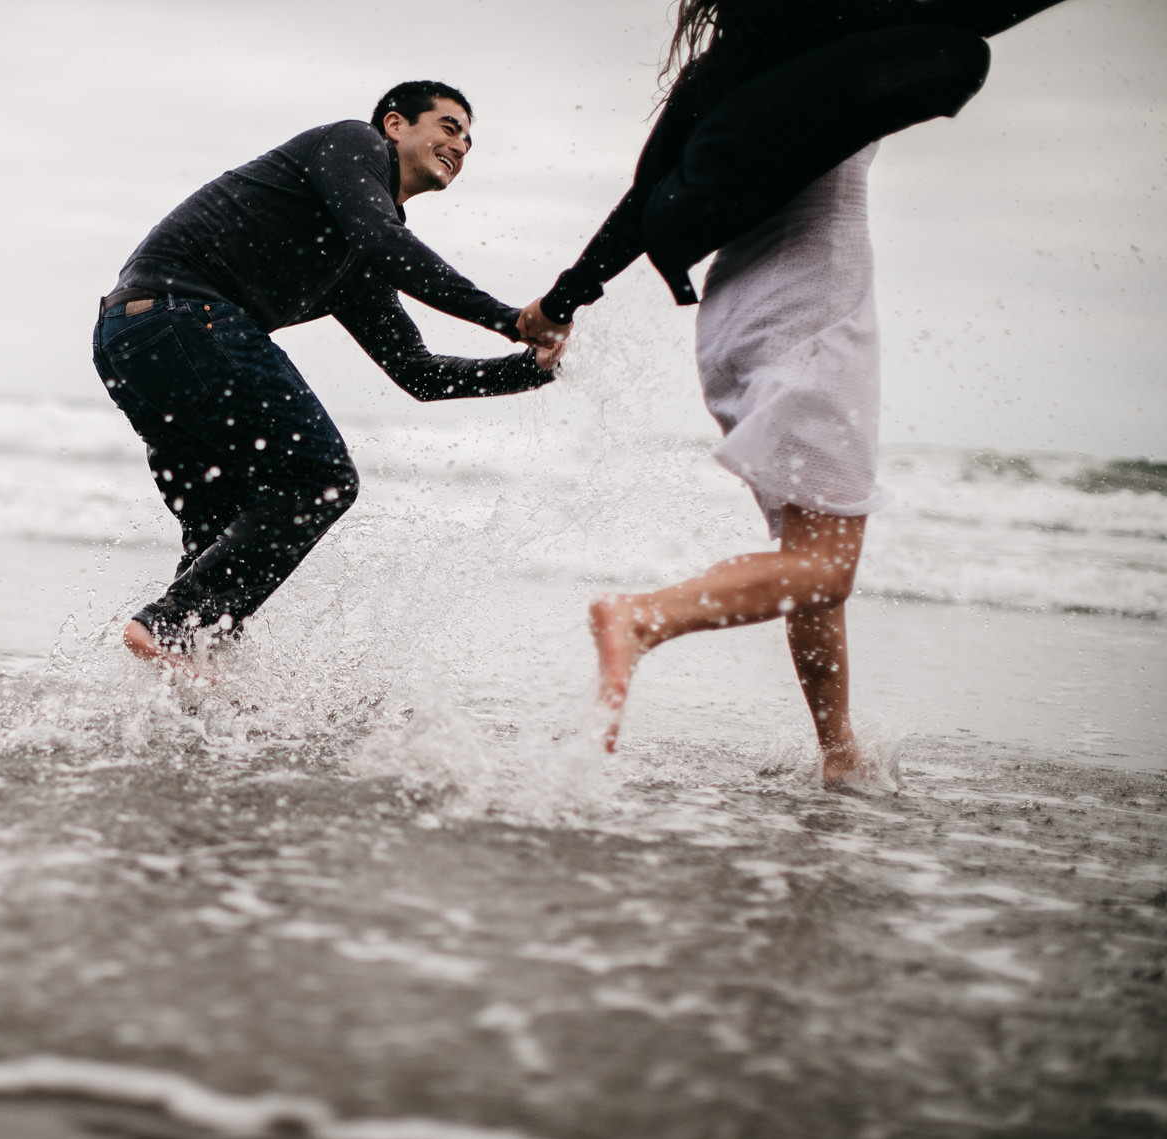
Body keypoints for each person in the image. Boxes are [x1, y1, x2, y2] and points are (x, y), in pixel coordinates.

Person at [515, 0, 1069, 784]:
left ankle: (839, 755)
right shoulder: (843, 25)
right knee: (827, 568)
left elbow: (642, 204)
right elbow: (976, 11)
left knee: (809, 564)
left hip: (734, 319)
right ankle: (643, 618)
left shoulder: (724, 69)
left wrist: (562, 299)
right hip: (816, 315)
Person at [94, 81, 563, 668]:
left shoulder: (356, 252)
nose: (462, 145)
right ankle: (166, 631)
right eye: (448, 126)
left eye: (469, 138)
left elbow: (418, 373)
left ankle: (182, 692)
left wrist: (539, 369)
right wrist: (509, 318)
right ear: (396, 125)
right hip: (179, 317)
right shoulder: (352, 142)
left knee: (221, 530)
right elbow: (384, 240)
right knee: (322, 478)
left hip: (132, 339)